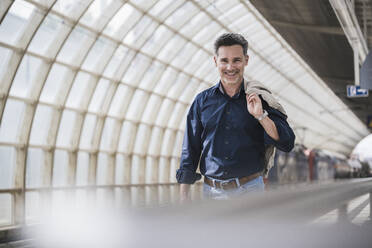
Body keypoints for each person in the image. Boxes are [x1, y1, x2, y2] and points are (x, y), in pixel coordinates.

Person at [176, 33, 295, 201]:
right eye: (224, 60)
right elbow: (191, 148)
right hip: (211, 193)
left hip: (250, 190)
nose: (230, 67)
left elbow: (287, 142)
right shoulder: (202, 102)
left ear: (246, 60)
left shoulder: (260, 99)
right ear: (215, 61)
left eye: (236, 60)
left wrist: (261, 116)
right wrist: (183, 196)